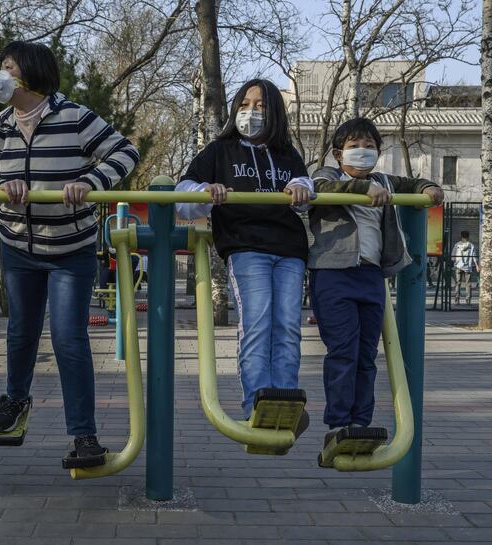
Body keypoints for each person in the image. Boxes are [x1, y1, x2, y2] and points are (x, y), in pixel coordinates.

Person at [0, 41, 139, 465]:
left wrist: (91, 181)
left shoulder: (74, 116)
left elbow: (126, 152)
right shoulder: (2, 125)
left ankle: (84, 435)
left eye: (8, 67)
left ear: (29, 73)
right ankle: (15, 400)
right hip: (18, 246)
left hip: (70, 248)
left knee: (68, 338)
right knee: (20, 332)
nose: (1, 75)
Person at [175, 78, 312, 429]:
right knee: (258, 323)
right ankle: (256, 402)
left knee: (287, 327)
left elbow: (305, 183)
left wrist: (299, 187)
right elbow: (183, 190)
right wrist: (206, 190)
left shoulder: (287, 153)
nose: (251, 112)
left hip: (289, 249)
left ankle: (284, 398)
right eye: (245, 104)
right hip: (247, 245)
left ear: (275, 114)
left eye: (261, 106)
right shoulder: (221, 150)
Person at [300, 117, 444, 448]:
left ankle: (359, 423)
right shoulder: (329, 176)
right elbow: (318, 190)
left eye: (369, 146)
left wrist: (428, 188)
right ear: (339, 154)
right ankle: (338, 424)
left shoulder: (384, 181)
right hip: (334, 273)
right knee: (343, 350)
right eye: (354, 147)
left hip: (370, 275)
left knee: (366, 353)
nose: (362, 152)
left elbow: (413, 183)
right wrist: (364, 189)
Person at [451, 230, 479, 305]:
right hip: (468, 267)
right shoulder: (471, 245)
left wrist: (455, 261)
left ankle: (457, 300)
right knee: (468, 284)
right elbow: (474, 257)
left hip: (458, 266)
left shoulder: (457, 245)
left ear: (461, 236)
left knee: (458, 283)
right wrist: (476, 265)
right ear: (468, 236)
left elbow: (453, 257)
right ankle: (468, 300)